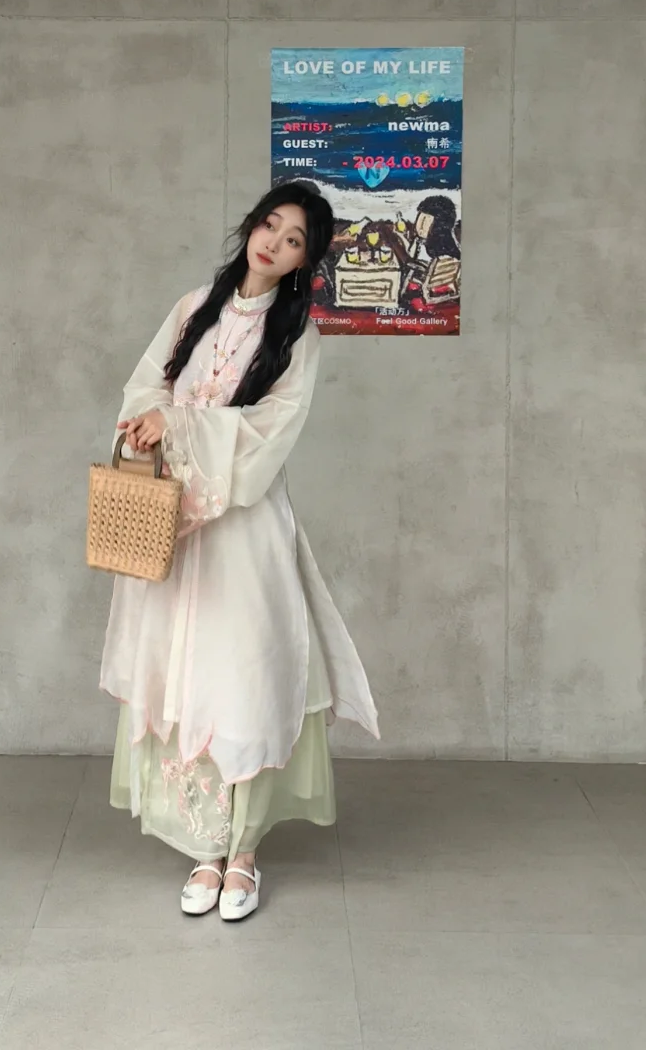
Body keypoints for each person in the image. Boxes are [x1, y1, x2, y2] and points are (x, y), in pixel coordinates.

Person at [99, 182, 379, 922]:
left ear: (304, 261)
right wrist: (151, 422)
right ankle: (205, 847)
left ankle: (245, 852)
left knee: (241, 676)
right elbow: (145, 387)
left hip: (242, 528)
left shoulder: (297, 337)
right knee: (183, 674)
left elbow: (270, 433)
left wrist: (183, 427)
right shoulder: (193, 308)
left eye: (294, 241)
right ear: (252, 225)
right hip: (174, 528)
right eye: (270, 225)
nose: (274, 244)